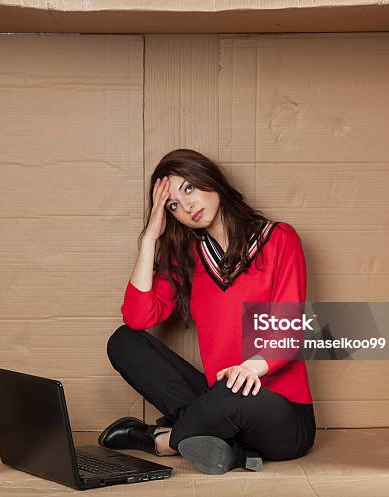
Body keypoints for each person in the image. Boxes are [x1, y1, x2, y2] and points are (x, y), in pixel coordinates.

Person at [98, 149, 316, 475]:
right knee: (123, 342)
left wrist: (250, 369)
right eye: (172, 205)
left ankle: (162, 441)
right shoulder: (187, 257)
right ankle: (225, 443)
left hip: (281, 414)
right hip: (218, 399)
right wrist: (150, 239)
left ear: (209, 179)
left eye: (189, 188)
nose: (187, 206)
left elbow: (289, 331)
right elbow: (138, 317)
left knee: (230, 392)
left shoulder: (279, 239)